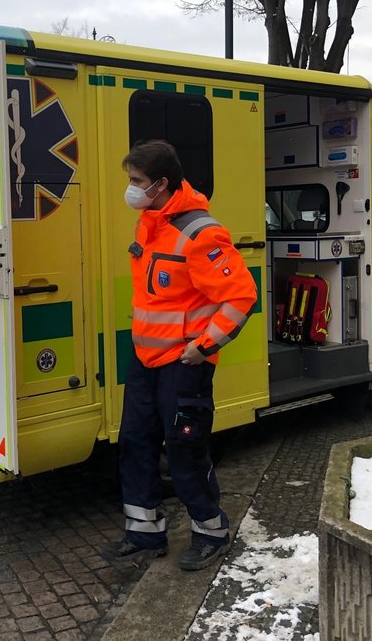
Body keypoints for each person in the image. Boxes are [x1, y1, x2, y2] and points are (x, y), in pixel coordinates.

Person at [102, 140, 258, 571]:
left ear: (162, 184)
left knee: (184, 449)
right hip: (146, 362)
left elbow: (241, 297)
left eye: (137, 182)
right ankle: (144, 534)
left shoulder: (201, 233)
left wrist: (203, 347)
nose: (130, 190)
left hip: (183, 365)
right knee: (135, 443)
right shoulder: (148, 224)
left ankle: (212, 533)